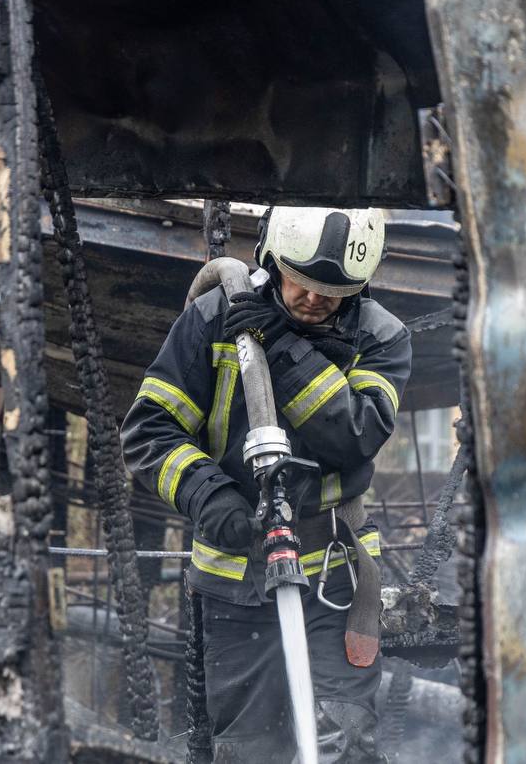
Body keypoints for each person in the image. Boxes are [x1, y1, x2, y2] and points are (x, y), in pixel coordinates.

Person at [121, 206, 411, 763]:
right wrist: (209, 494)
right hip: (235, 580)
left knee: (343, 740)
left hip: (334, 577)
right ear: (271, 260)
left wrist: (279, 346)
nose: (315, 299)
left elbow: (353, 436)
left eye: (334, 291)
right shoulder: (213, 317)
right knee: (248, 750)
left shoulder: (379, 336)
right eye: (301, 282)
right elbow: (149, 430)